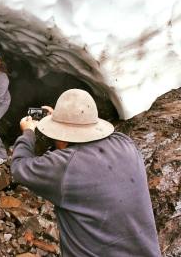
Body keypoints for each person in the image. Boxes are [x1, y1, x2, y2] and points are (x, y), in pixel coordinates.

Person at [11, 89, 161, 257]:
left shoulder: (65, 167)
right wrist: (64, 121)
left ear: (60, 134)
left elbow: (19, 167)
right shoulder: (125, 143)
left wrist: (28, 132)